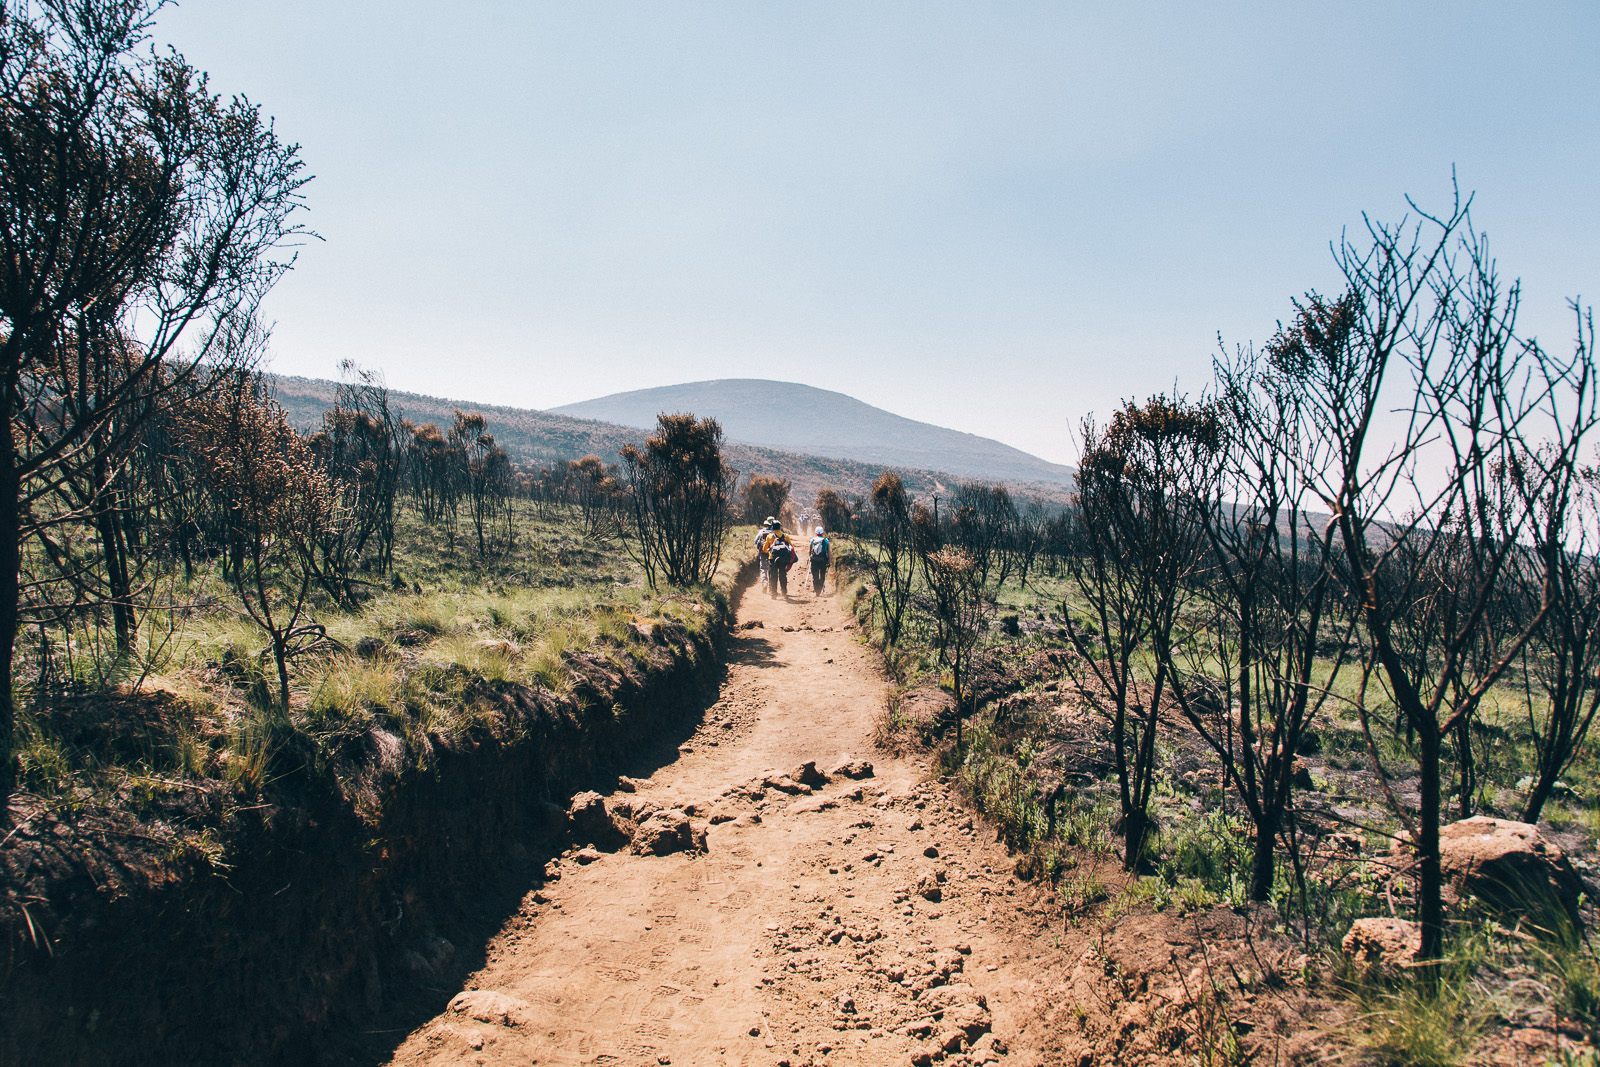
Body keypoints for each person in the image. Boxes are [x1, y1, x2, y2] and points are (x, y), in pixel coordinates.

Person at [766, 529, 794, 597]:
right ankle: (784, 592)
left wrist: (769, 551)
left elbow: (765, 548)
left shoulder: (770, 536)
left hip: (772, 559)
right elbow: (791, 546)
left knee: (773, 576)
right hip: (783, 558)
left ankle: (774, 593)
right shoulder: (785, 536)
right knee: (783, 575)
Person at [754, 517, 778, 587]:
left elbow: (755, 541)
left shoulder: (762, 531)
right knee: (772, 568)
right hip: (773, 553)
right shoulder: (775, 532)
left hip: (763, 552)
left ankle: (764, 582)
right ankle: (771, 585)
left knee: (763, 568)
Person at [808, 525, 830, 595]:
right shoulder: (826, 540)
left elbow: (810, 551)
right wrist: (829, 561)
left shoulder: (812, 540)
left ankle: (816, 590)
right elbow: (828, 552)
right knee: (822, 574)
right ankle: (821, 588)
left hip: (814, 559)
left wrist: (809, 558)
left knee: (815, 575)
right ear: (822, 533)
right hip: (823, 560)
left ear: (815, 533)